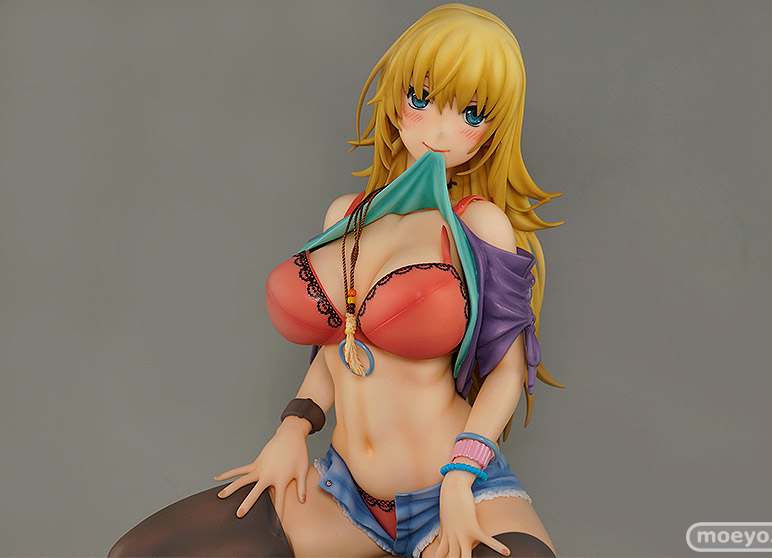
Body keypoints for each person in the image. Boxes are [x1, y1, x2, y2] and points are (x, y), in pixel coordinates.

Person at [109, 4, 563, 557]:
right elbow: (336, 346)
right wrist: (292, 430)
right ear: (396, 100)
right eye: (421, 99)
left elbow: (507, 373)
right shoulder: (346, 216)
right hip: (343, 496)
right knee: (144, 552)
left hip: (455, 491)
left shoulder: (479, 225)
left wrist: (461, 477)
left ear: (495, 129)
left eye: (471, 112)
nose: (441, 130)